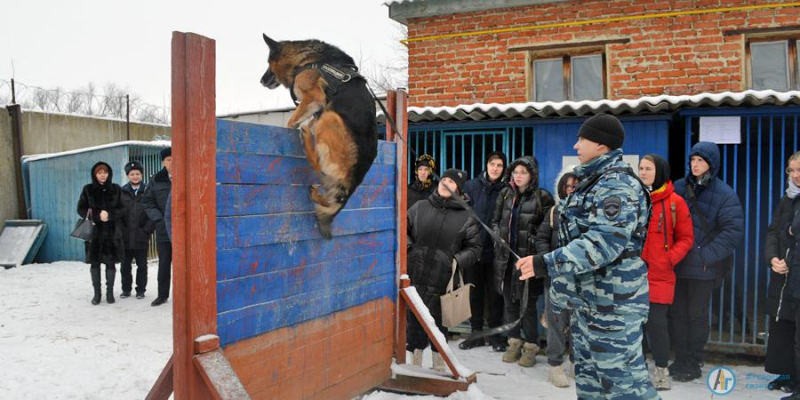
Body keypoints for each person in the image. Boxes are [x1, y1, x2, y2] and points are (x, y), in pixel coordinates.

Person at [516, 114, 658, 399]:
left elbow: (603, 243)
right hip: (589, 304)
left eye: (582, 139)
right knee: (591, 386)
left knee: (623, 387)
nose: (576, 145)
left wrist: (545, 262)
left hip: (614, 309)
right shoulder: (591, 182)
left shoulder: (617, 185)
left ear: (602, 145)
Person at [670, 142, 744, 382]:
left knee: (696, 315)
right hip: (678, 263)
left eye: (701, 160)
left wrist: (706, 256)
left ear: (712, 164)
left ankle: (693, 361)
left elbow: (732, 231)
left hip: (703, 267)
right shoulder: (678, 187)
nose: (695, 164)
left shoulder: (724, 193)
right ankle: (680, 358)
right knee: (678, 314)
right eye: (693, 159)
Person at [406, 169, 482, 371]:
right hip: (415, 273)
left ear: (458, 188)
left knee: (438, 323)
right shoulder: (419, 207)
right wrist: (410, 250)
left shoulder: (467, 216)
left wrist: (454, 260)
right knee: (413, 321)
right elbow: (402, 229)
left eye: (452, 181)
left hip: (443, 279)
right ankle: (414, 367)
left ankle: (439, 366)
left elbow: (475, 248)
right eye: (444, 179)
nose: (445, 183)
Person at [491, 155, 554, 367]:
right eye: (516, 172)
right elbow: (495, 220)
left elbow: (548, 229)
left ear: (532, 175)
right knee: (509, 303)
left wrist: (533, 241)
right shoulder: (506, 194)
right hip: (506, 260)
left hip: (527, 260)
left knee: (528, 307)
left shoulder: (542, 197)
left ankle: (530, 347)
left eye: (523, 173)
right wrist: (497, 237)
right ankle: (514, 343)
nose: (518, 176)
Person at [638, 154, 694, 390]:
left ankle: (661, 370)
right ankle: (637, 370)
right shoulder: (636, 198)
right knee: (635, 325)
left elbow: (687, 238)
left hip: (660, 274)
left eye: (648, 168)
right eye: (640, 168)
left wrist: (669, 258)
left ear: (659, 171)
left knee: (656, 324)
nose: (643, 172)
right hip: (635, 273)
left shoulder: (675, 202)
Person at [534, 166, 579, 388]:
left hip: (581, 278)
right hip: (555, 277)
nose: (570, 189)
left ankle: (576, 363)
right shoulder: (553, 212)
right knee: (555, 322)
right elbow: (541, 238)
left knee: (579, 323)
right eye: (566, 186)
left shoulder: (588, 212)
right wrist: (548, 259)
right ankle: (555, 365)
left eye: (575, 186)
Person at [460, 151, 508, 352]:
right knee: (474, 295)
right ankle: (476, 334)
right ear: (486, 165)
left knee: (495, 295)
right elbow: (461, 212)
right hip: (474, 250)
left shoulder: (507, 190)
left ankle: (495, 336)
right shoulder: (471, 186)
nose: (495, 168)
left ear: (503, 168)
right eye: (492, 164)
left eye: (499, 165)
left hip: (496, 252)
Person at [764, 152, 800, 395]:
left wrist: (788, 259)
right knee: (782, 326)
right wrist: (772, 258)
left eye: (799, 170)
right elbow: (773, 231)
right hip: (783, 274)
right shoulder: (786, 199)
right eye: (791, 170)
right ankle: (785, 375)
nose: (795, 175)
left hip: (795, 270)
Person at [77, 161, 125, 305]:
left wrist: (109, 214)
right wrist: (97, 215)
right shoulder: (88, 189)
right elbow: (80, 209)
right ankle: (97, 294)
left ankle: (110, 293)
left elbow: (122, 208)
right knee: (95, 263)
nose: (102, 175)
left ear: (109, 173)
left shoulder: (116, 189)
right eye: (99, 172)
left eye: (105, 172)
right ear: (95, 174)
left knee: (110, 263)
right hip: (94, 233)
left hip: (112, 233)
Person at [119, 161, 155, 299]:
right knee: (125, 265)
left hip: (141, 235)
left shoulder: (148, 191)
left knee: (142, 265)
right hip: (126, 235)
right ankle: (126, 289)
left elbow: (153, 212)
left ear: (141, 175)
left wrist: (146, 230)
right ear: (128, 175)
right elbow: (118, 213)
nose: (135, 176)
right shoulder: (122, 192)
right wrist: (122, 230)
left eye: (137, 174)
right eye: (132, 174)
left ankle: (141, 290)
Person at [142, 147, 173, 307]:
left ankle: (184, 296)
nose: (172, 162)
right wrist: (159, 219)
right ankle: (162, 295)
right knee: (164, 264)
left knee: (185, 266)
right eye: (168, 159)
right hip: (163, 230)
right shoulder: (156, 180)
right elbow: (147, 202)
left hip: (184, 231)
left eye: (175, 158)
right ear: (163, 162)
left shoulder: (187, 176)